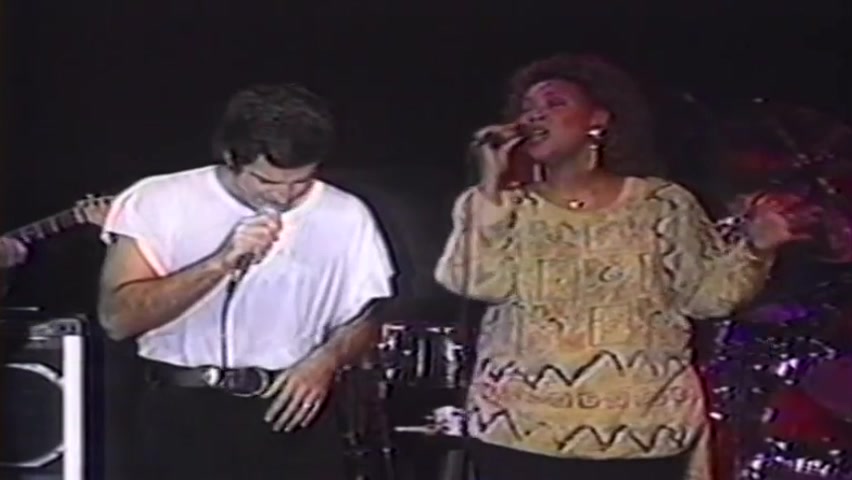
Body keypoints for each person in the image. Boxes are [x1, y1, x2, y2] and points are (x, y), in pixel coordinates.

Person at [434, 54, 816, 480]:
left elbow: (708, 297)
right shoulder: (500, 206)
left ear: (598, 120)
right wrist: (491, 187)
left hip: (644, 432)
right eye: (527, 108)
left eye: (554, 103)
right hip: (520, 430)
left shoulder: (662, 204)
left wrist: (757, 248)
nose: (534, 115)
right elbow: (473, 281)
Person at [97, 84, 395, 480]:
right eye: (267, 182)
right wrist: (220, 263)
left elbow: (364, 319)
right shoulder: (157, 200)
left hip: (288, 408)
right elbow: (117, 320)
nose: (284, 196)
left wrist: (326, 361)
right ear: (230, 157)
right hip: (183, 410)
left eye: (301, 182)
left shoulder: (347, 215)